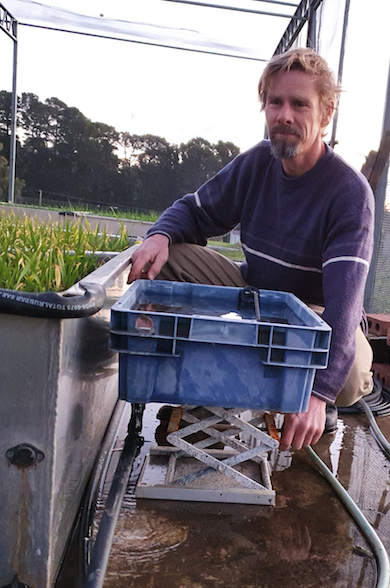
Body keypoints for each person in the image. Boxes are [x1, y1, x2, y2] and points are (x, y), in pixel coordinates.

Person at [127, 48, 375, 450]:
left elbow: (345, 305)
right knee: (163, 257)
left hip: (309, 314)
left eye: (299, 104)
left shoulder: (348, 193)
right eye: (275, 102)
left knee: (348, 378)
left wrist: (318, 393)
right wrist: (159, 235)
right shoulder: (256, 163)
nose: (284, 116)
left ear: (326, 113)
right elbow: (193, 209)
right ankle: (201, 377)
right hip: (254, 293)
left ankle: (308, 400)